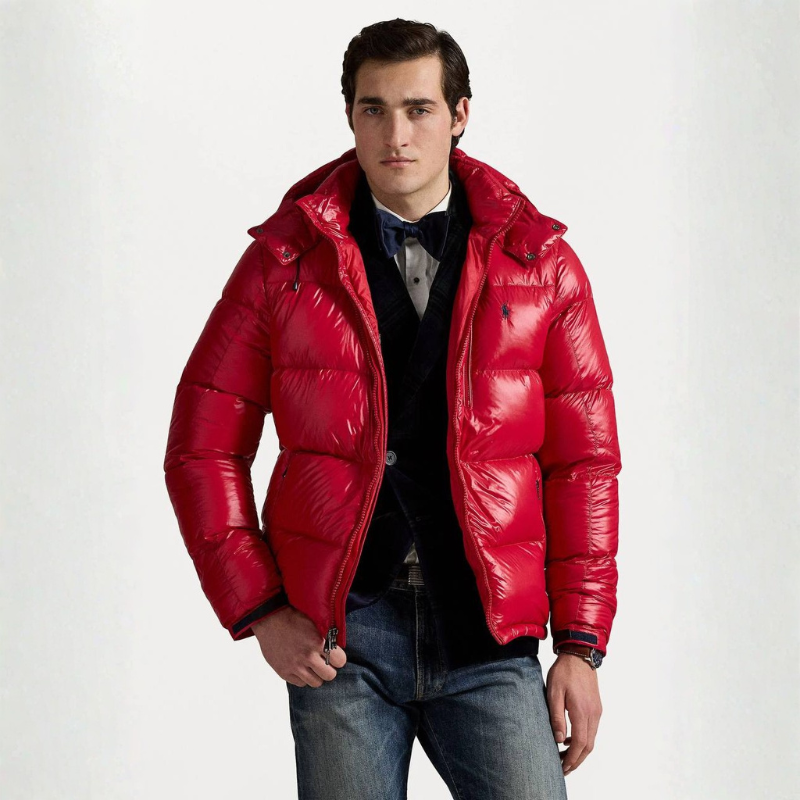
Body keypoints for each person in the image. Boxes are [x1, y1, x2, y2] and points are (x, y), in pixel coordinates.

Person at [164, 17, 621, 800]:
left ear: (460, 114)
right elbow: (201, 446)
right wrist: (261, 610)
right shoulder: (282, 264)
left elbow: (584, 465)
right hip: (342, 637)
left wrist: (580, 645)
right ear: (349, 115)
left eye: (418, 109)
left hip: (487, 628)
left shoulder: (541, 264)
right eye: (373, 109)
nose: (395, 134)